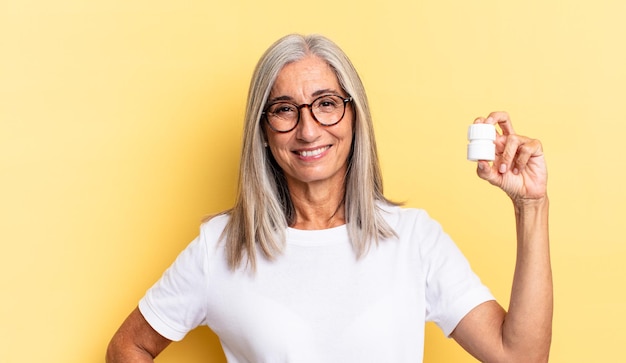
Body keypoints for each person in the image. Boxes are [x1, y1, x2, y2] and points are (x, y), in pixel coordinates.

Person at [106, 33, 552, 363]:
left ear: (354, 116)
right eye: (284, 109)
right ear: (262, 132)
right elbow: (129, 347)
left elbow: (520, 358)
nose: (308, 129)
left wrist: (530, 206)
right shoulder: (221, 246)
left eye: (326, 103)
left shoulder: (414, 239)